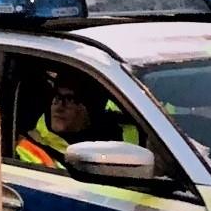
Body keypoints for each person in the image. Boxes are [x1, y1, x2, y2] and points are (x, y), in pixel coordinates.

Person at [13, 70, 142, 169]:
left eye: (69, 100)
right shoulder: (30, 147)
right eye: (56, 98)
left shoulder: (125, 139)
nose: (59, 107)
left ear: (90, 110)